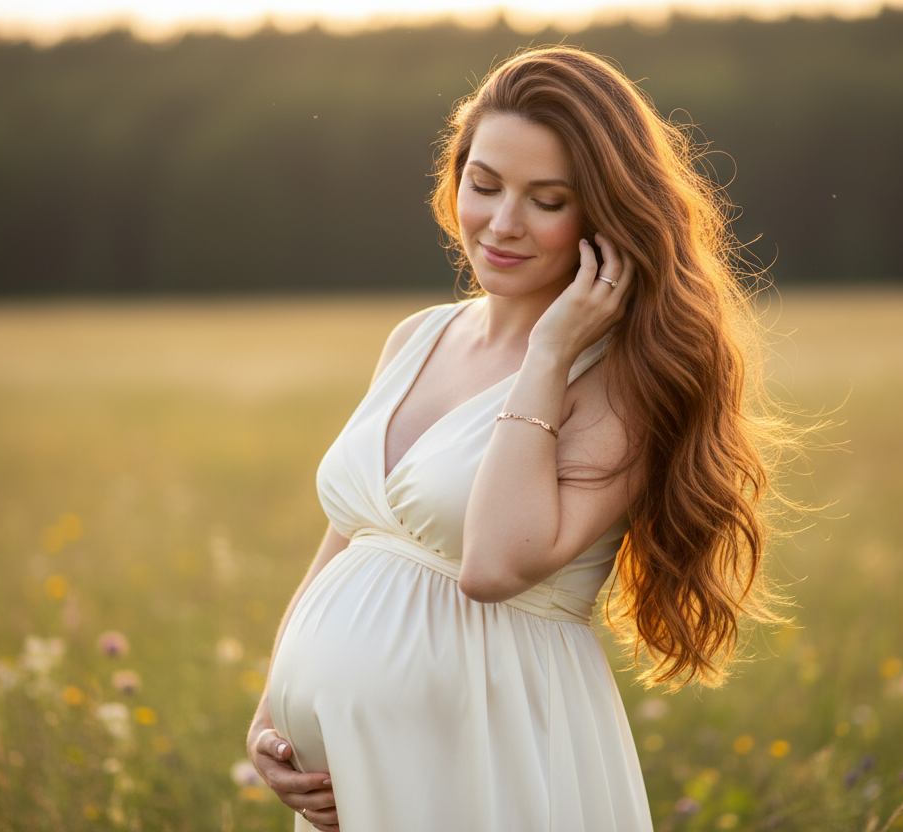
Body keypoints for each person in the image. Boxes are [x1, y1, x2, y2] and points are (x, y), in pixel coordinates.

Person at [246, 46, 784, 832]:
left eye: (547, 200)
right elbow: (346, 543)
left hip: (491, 754)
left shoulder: (623, 381)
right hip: (355, 781)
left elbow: (494, 565)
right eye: (484, 184)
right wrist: (272, 717)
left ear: (602, 215)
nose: (501, 223)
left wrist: (550, 352)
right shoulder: (416, 339)